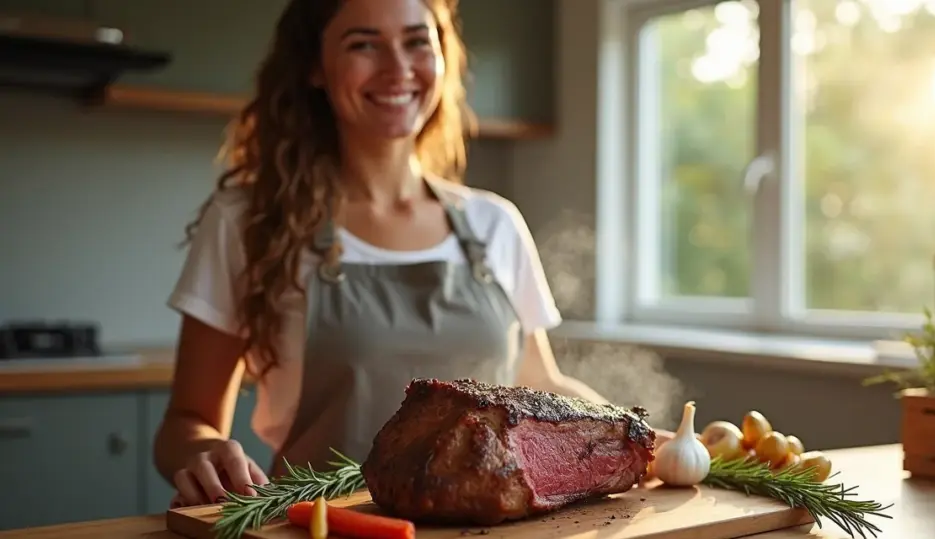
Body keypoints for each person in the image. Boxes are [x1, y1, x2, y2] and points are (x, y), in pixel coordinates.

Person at [155, 0, 672, 508]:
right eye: (364, 44)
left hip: (492, 528)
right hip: (321, 528)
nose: (397, 68)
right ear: (314, 65)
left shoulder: (493, 223)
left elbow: (542, 383)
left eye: (416, 42)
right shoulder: (248, 221)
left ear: (442, 59)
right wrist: (204, 452)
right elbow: (186, 420)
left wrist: (649, 439)